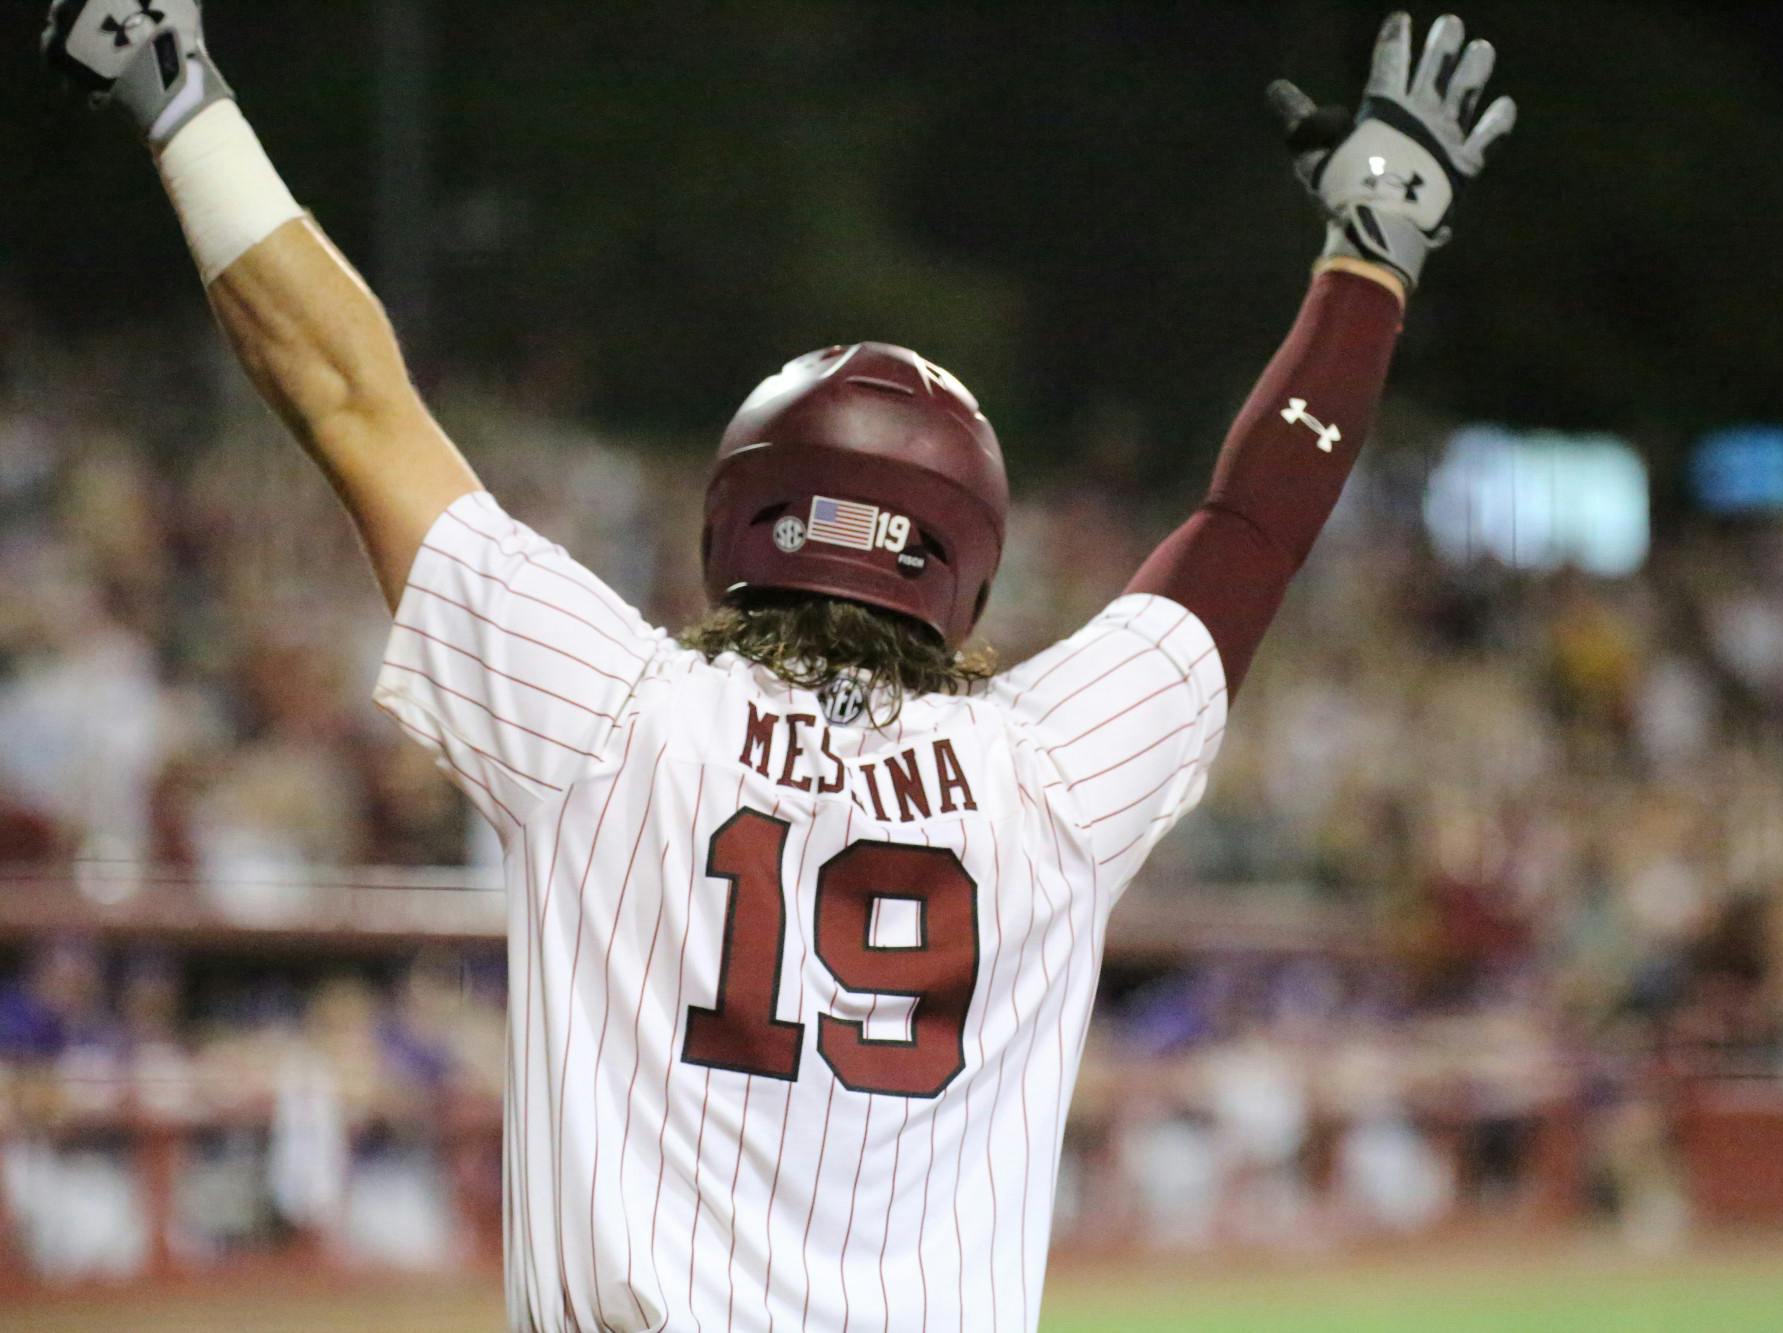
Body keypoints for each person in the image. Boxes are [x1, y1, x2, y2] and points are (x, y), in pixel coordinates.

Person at [39, 3, 1513, 1327]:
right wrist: (1369, 249)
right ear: (966, 561)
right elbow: (1251, 524)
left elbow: (349, 396)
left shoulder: (615, 717)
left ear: (739, 514)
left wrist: (183, 93)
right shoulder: (1050, 771)